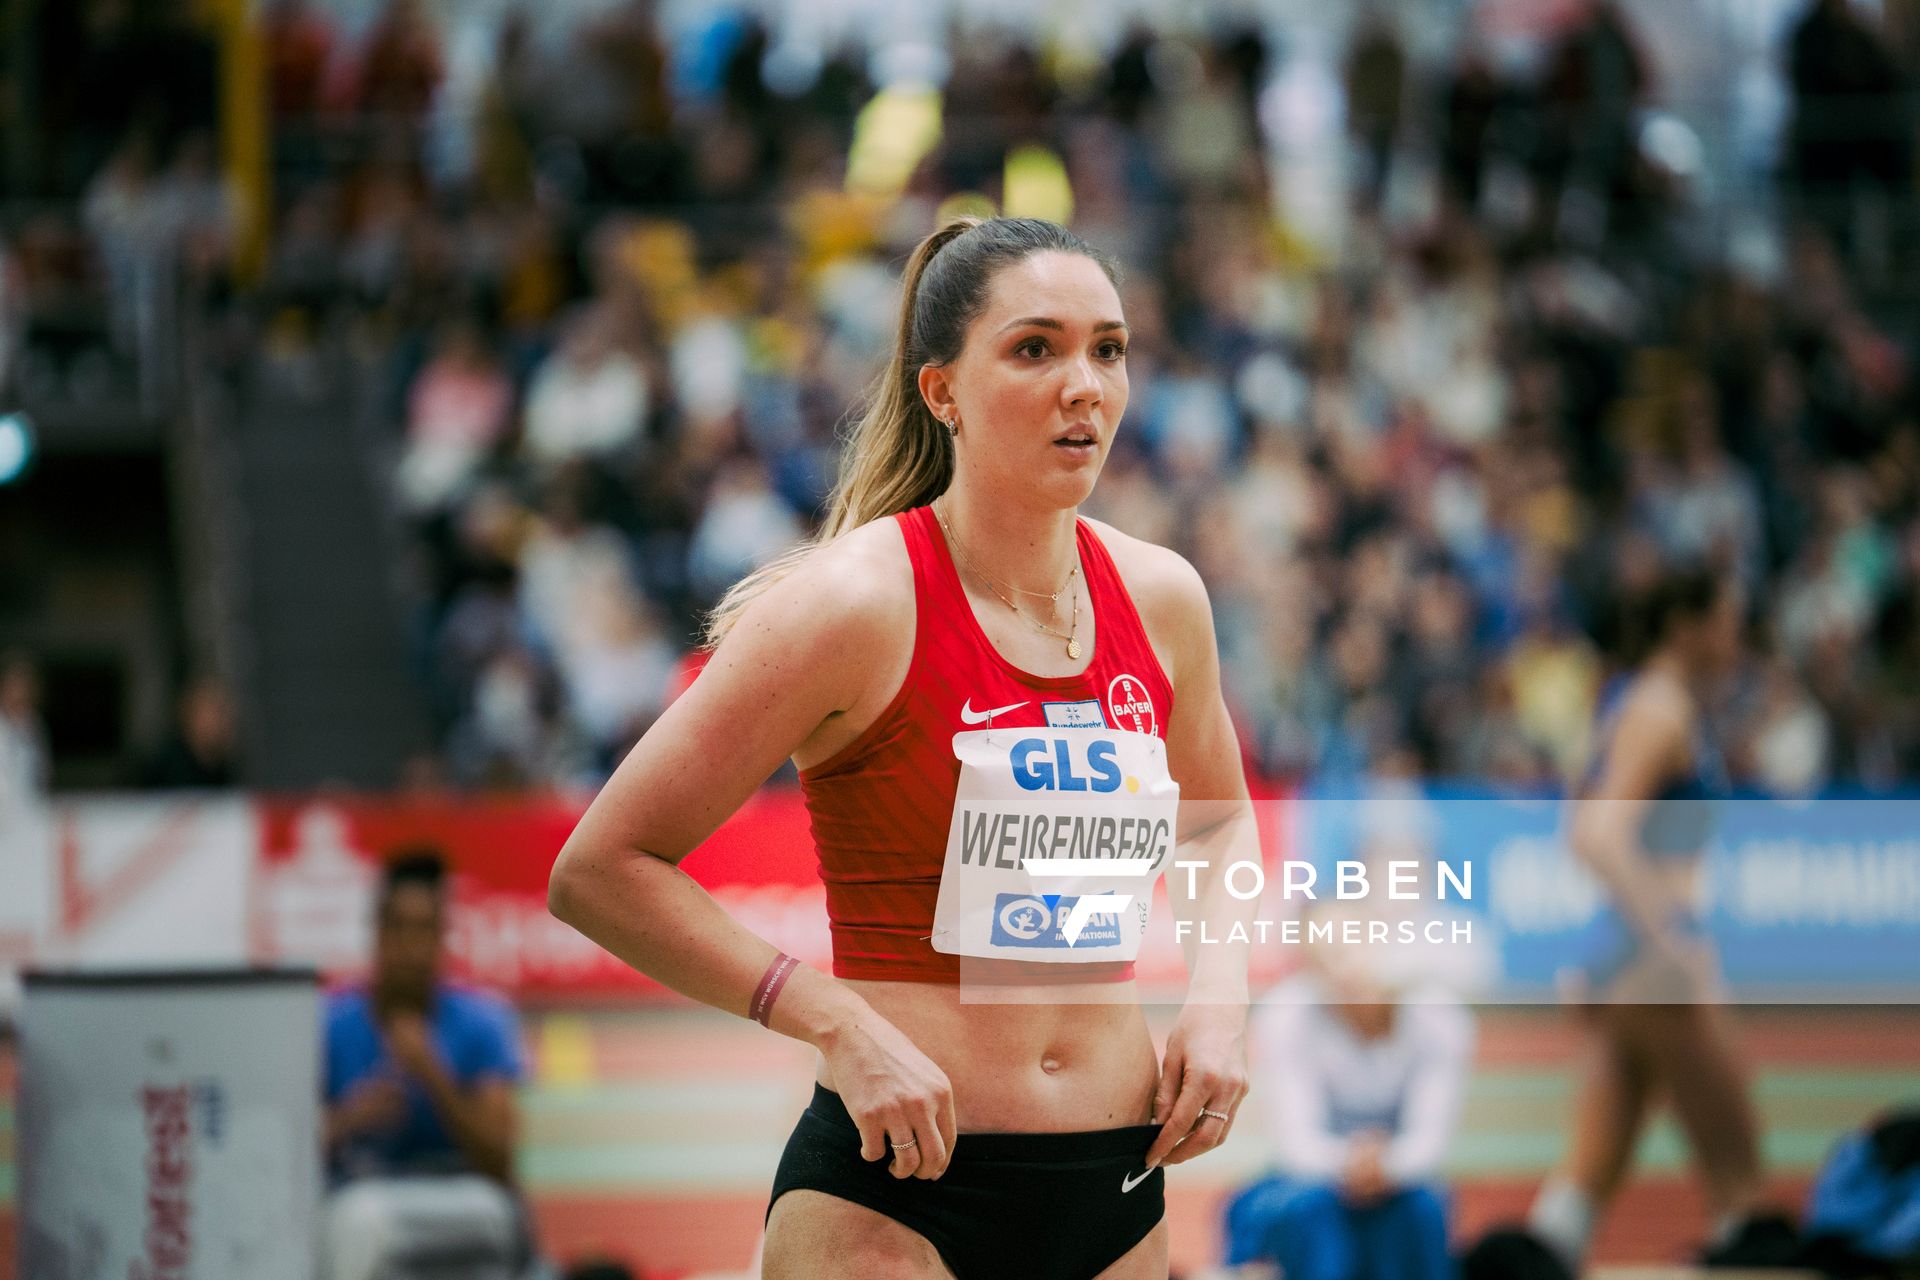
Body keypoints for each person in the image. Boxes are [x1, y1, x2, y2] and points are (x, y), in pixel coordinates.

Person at [548, 216, 1259, 1279]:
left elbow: (1217, 816)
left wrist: (1219, 998)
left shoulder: (1163, 599)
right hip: (897, 1194)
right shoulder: (850, 605)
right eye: (1036, 348)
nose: (1087, 384)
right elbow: (599, 868)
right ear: (942, 391)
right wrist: (834, 1020)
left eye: (1107, 347)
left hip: (1116, 1186)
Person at [1527, 570, 1768, 1267]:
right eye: (1726, 616)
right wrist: (1677, 937)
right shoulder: (1662, 708)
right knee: (1739, 1180)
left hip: (1620, 959)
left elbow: (1582, 813)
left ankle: (1525, 1265)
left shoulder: (1629, 701)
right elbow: (1597, 835)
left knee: (1587, 1176)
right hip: (1653, 964)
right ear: (1684, 624)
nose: (1737, 633)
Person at [1221, 914, 1474, 1280]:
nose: (1347, 968)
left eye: (1354, 946)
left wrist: (1387, 1166)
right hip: (1311, 1179)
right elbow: (1297, 1143)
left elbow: (1430, 1140)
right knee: (1299, 1210)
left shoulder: (1439, 1018)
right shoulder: (1286, 1015)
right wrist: (1352, 1162)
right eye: (1327, 957)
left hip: (1401, 1180)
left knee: (1423, 1211)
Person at [322, 851, 531, 1280]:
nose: (411, 949)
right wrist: (351, 1118)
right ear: (377, 932)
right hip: (359, 1197)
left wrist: (433, 1075)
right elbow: (284, 1151)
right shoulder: (329, 1024)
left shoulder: (484, 1022)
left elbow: (501, 1161)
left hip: (463, 1199)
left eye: (425, 932)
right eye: (399, 929)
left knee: (502, 1220)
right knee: (359, 1225)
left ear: (442, 939)